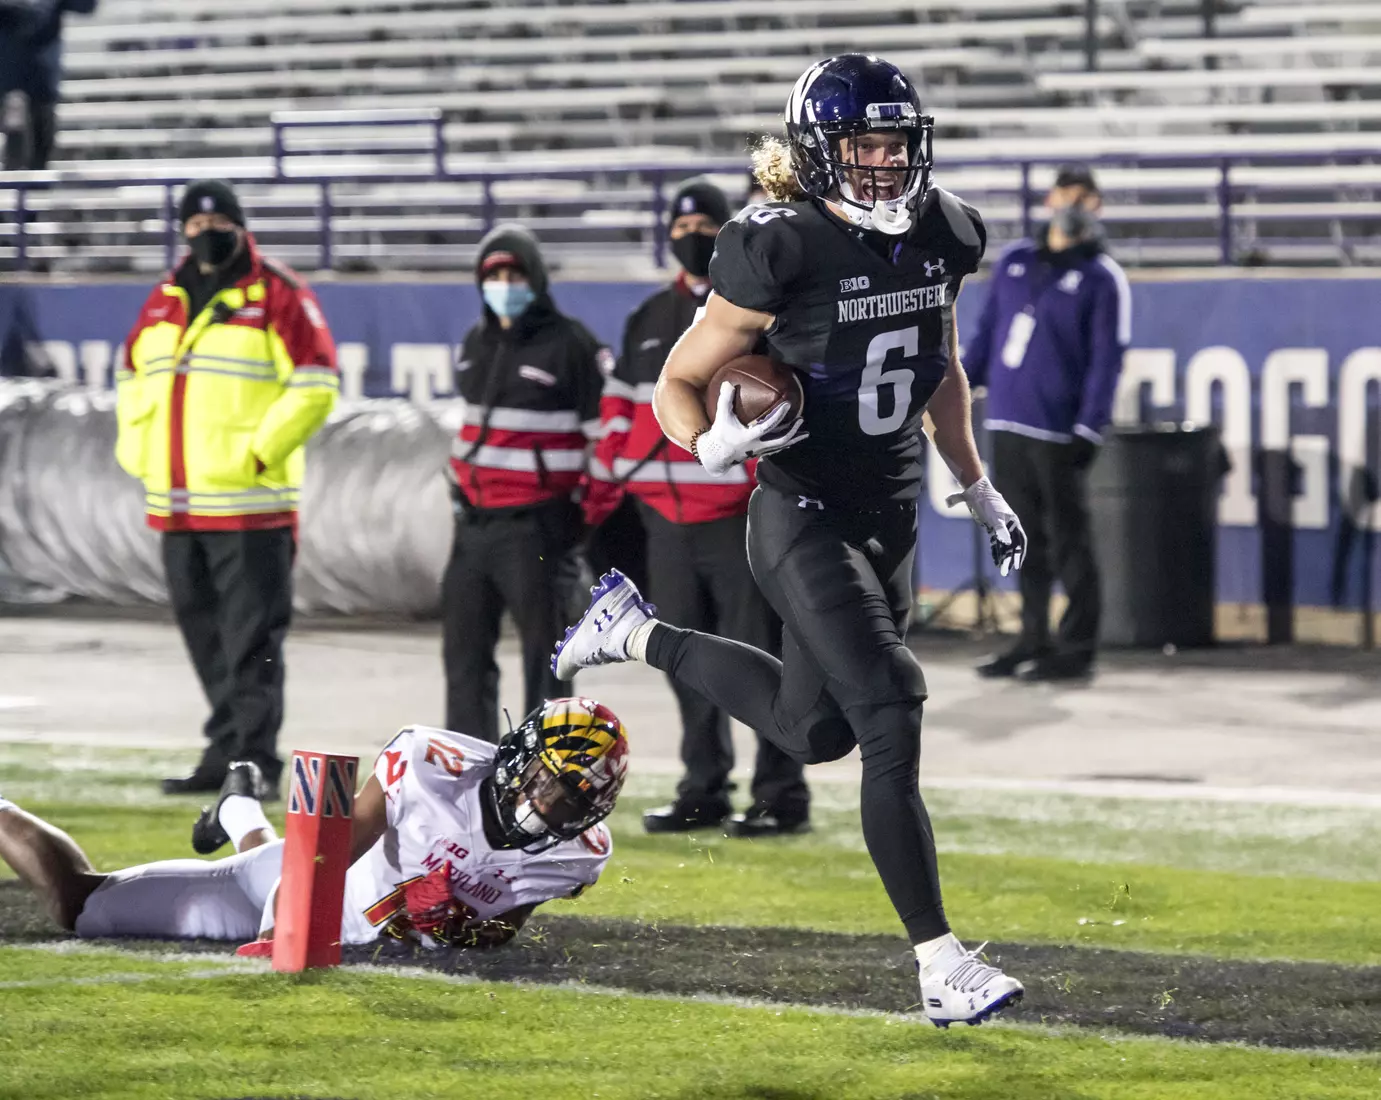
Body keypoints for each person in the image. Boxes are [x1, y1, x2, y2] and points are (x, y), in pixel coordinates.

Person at [555, 55, 1028, 1026]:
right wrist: (713, 439)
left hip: (889, 509)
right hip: (801, 508)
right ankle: (940, 962)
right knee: (892, 702)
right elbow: (676, 385)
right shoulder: (778, 245)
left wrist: (973, 482)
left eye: (897, 144)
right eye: (864, 145)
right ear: (819, 151)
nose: (885, 163)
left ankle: (633, 633)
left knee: (815, 729)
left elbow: (940, 364)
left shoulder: (946, 229)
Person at [0, 698, 627, 951]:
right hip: (291, 890)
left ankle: (237, 803)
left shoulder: (576, 856)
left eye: (573, 799)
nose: (549, 806)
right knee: (79, 906)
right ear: (518, 760)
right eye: (547, 781)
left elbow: (499, 930)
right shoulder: (430, 763)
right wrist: (284, 935)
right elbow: (321, 856)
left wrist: (457, 925)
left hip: (357, 923)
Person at [585, 177, 810, 838]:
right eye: (680, 226)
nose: (691, 236)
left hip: (736, 519)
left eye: (705, 225)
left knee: (759, 660)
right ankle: (702, 785)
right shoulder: (648, 317)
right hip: (666, 520)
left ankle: (779, 791)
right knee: (683, 661)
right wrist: (622, 479)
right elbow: (620, 408)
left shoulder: (758, 309)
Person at [115, 179, 339, 799]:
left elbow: (317, 382)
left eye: (214, 222)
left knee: (252, 639)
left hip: (250, 506)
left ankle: (257, 760)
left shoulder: (277, 293)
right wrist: (137, 451)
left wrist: (259, 453)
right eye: (190, 224)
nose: (202, 233)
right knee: (204, 634)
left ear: (239, 226)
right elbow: (131, 373)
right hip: (176, 504)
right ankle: (224, 749)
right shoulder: (163, 297)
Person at [964, 164, 1131, 682]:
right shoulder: (1015, 262)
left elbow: (1107, 360)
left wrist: (1089, 427)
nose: (1073, 205)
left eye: (1084, 197)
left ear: (1097, 206)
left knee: (1070, 543)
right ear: (1049, 199)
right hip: (1008, 424)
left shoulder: (1103, 278)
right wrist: (954, 391)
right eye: (1066, 194)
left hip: (1059, 432)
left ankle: (1076, 645)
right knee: (1021, 537)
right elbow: (986, 338)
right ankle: (1032, 636)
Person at [443, 225, 608, 743]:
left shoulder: (571, 345)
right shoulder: (475, 342)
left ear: (535, 278)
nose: (504, 284)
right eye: (494, 275)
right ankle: (469, 767)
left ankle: (546, 773)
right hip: (472, 526)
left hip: (536, 526)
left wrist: (580, 522)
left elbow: (601, 441)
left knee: (547, 659)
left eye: (514, 274)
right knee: (464, 655)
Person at [0, 0, 96, 172]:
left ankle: (36, 182)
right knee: (14, 127)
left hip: (42, 77)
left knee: (42, 136)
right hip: (8, 75)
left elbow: (86, 6)